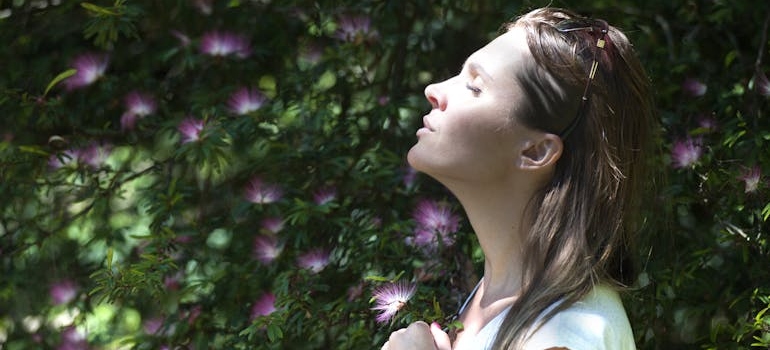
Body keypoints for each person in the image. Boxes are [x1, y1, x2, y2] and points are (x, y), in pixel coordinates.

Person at [383, 6, 656, 350]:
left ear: (536, 152)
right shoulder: (497, 299)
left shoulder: (567, 332)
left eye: (474, 87)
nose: (435, 90)